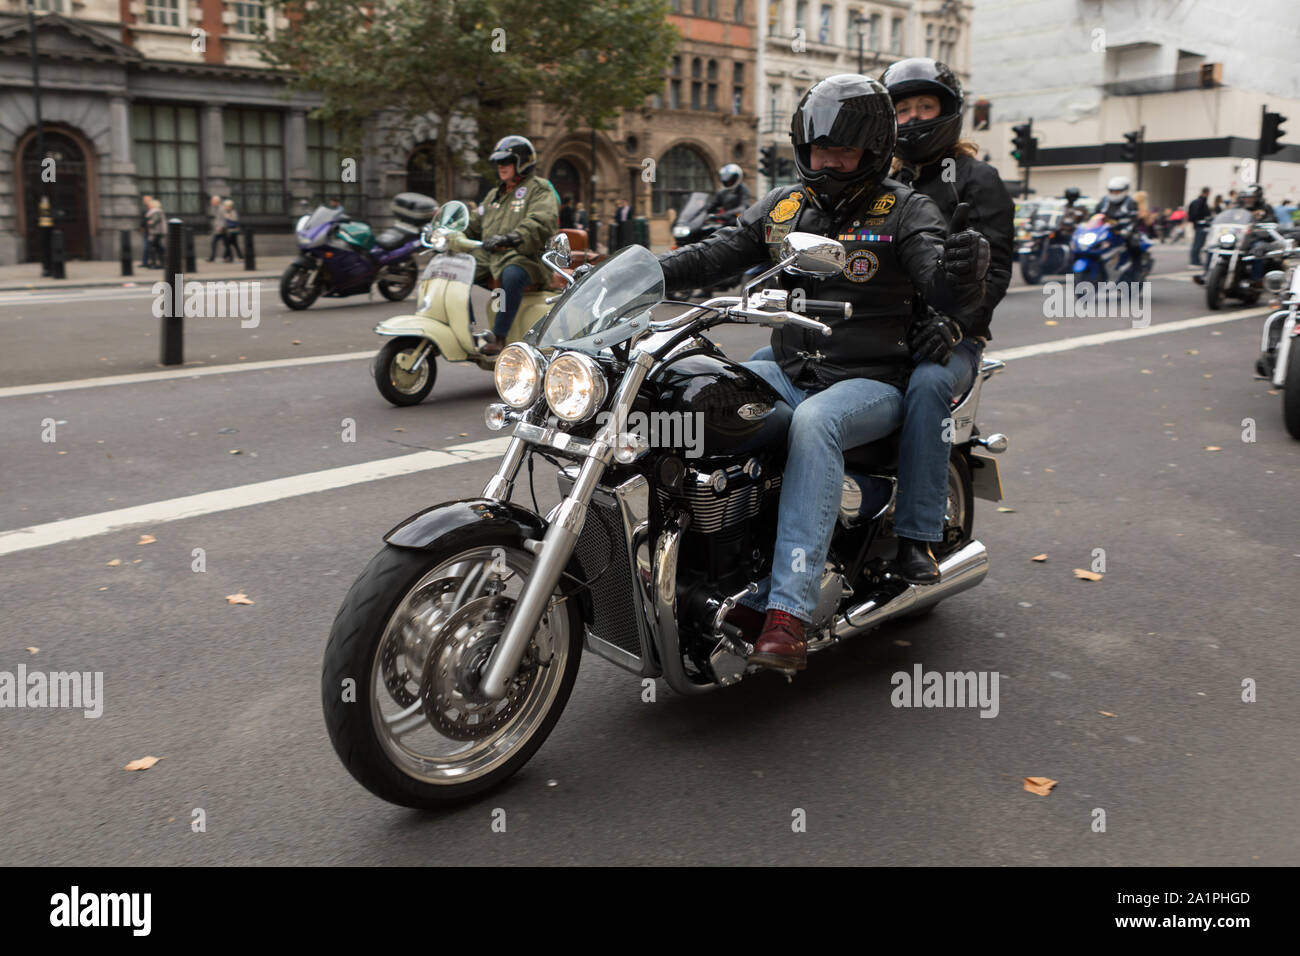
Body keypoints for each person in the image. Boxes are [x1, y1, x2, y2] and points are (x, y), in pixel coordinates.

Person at [657, 74, 989, 672]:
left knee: (815, 423)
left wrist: (962, 271)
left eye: (845, 151)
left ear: (873, 152)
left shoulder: (905, 209)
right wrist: (639, 275)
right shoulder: (785, 206)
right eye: (820, 150)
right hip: (790, 366)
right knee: (703, 397)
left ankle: (789, 612)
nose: (830, 162)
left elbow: (938, 277)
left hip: (870, 380)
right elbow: (717, 252)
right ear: (802, 148)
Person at [879, 56, 1014, 583]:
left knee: (929, 384)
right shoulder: (879, 183)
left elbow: (995, 269)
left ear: (948, 112)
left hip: (949, 339)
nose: (912, 118)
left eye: (924, 106)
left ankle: (918, 538)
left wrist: (957, 324)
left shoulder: (978, 180)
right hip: (880, 329)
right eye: (903, 109)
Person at [464, 135, 560, 357]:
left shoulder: (539, 188)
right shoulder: (493, 195)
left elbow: (542, 220)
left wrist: (514, 236)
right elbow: (474, 222)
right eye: (498, 162)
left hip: (527, 257)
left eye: (505, 161)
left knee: (511, 275)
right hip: (491, 256)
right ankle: (466, 329)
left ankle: (500, 337)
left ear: (522, 162)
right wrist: (449, 230)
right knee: (460, 270)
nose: (500, 167)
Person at [1188, 186, 1211, 265]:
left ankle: (1196, 260)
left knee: (1199, 243)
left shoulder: (1201, 201)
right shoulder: (1199, 202)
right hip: (1200, 226)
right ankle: (1194, 261)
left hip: (1201, 225)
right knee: (1198, 243)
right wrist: (1200, 221)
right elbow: (1196, 214)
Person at [145, 197, 166, 268]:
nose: (149, 205)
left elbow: (153, 222)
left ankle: (157, 263)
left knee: (155, 247)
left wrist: (149, 222)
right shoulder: (155, 211)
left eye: (150, 204)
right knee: (157, 247)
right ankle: (159, 263)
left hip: (157, 232)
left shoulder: (156, 211)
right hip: (156, 232)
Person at [207, 195, 224, 261]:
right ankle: (212, 257)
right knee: (214, 242)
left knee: (227, 243)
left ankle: (229, 257)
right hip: (216, 229)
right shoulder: (213, 208)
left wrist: (221, 226)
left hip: (221, 229)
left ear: (217, 201)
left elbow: (224, 219)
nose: (211, 202)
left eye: (212, 200)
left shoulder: (222, 208)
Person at [140, 195, 154, 268]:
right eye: (144, 200)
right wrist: (142, 227)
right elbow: (143, 220)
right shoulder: (145, 209)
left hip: (151, 231)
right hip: (146, 230)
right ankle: (145, 262)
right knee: (147, 247)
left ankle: (150, 262)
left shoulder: (152, 209)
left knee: (149, 247)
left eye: (146, 200)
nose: (144, 201)